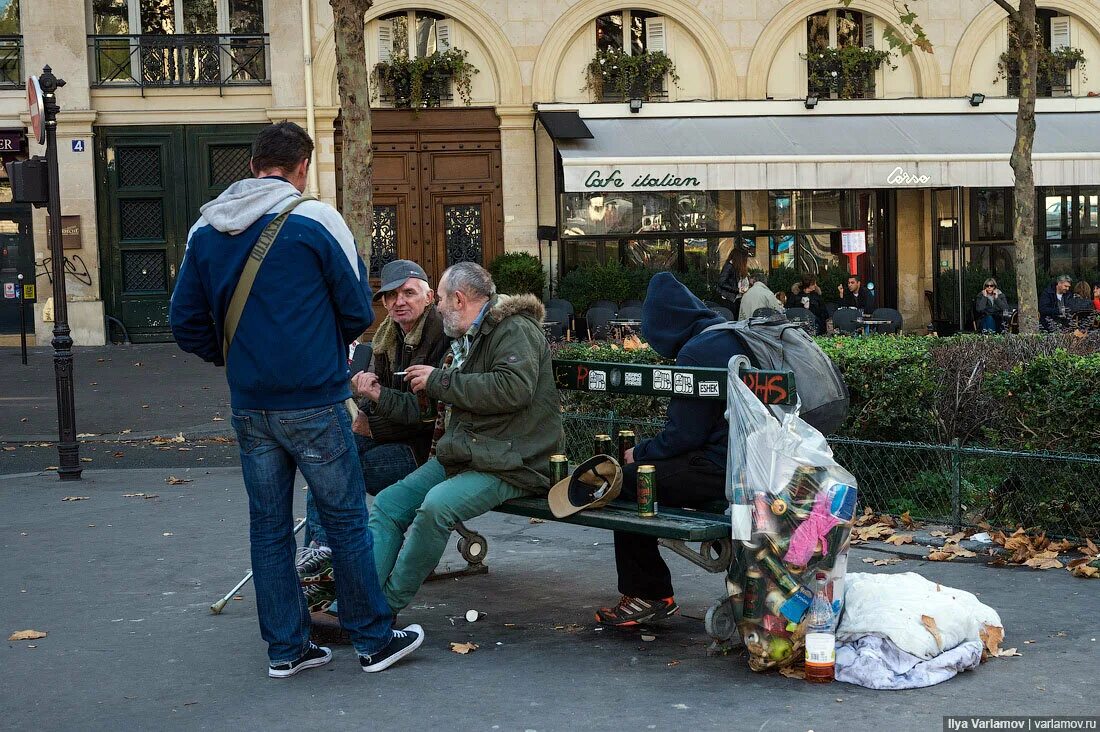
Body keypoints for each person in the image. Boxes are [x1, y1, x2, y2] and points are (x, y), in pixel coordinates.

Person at [169, 121, 423, 678]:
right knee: (346, 519)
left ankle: (287, 649)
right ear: (301, 167)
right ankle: (374, 640)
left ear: (255, 164)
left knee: (267, 526)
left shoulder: (205, 230)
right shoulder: (315, 219)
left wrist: (237, 356)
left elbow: (184, 322)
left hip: (250, 404)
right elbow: (358, 308)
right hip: (313, 400)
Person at [356, 262, 563, 615]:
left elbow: (513, 389)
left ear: (459, 298)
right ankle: (359, 602)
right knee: (389, 505)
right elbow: (427, 408)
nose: (436, 308)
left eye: (438, 300)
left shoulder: (514, 329)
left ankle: (382, 608)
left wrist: (440, 380)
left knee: (436, 506)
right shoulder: (467, 337)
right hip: (470, 453)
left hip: (513, 461)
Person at [596, 272, 749, 626]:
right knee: (642, 474)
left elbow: (684, 436)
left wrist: (641, 453)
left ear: (664, 324)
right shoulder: (727, 334)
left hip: (722, 467)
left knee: (629, 481)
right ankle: (649, 591)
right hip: (753, 461)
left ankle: (647, 593)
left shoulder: (697, 352)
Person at [297, 259, 450, 611]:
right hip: (391, 435)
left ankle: (327, 566)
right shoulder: (385, 338)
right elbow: (382, 404)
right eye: (390, 296)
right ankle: (321, 555)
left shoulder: (443, 335)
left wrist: (375, 405)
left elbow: (428, 416)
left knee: (340, 474)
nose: (399, 301)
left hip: (424, 451)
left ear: (428, 296)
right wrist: (364, 404)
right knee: (328, 456)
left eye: (408, 293)